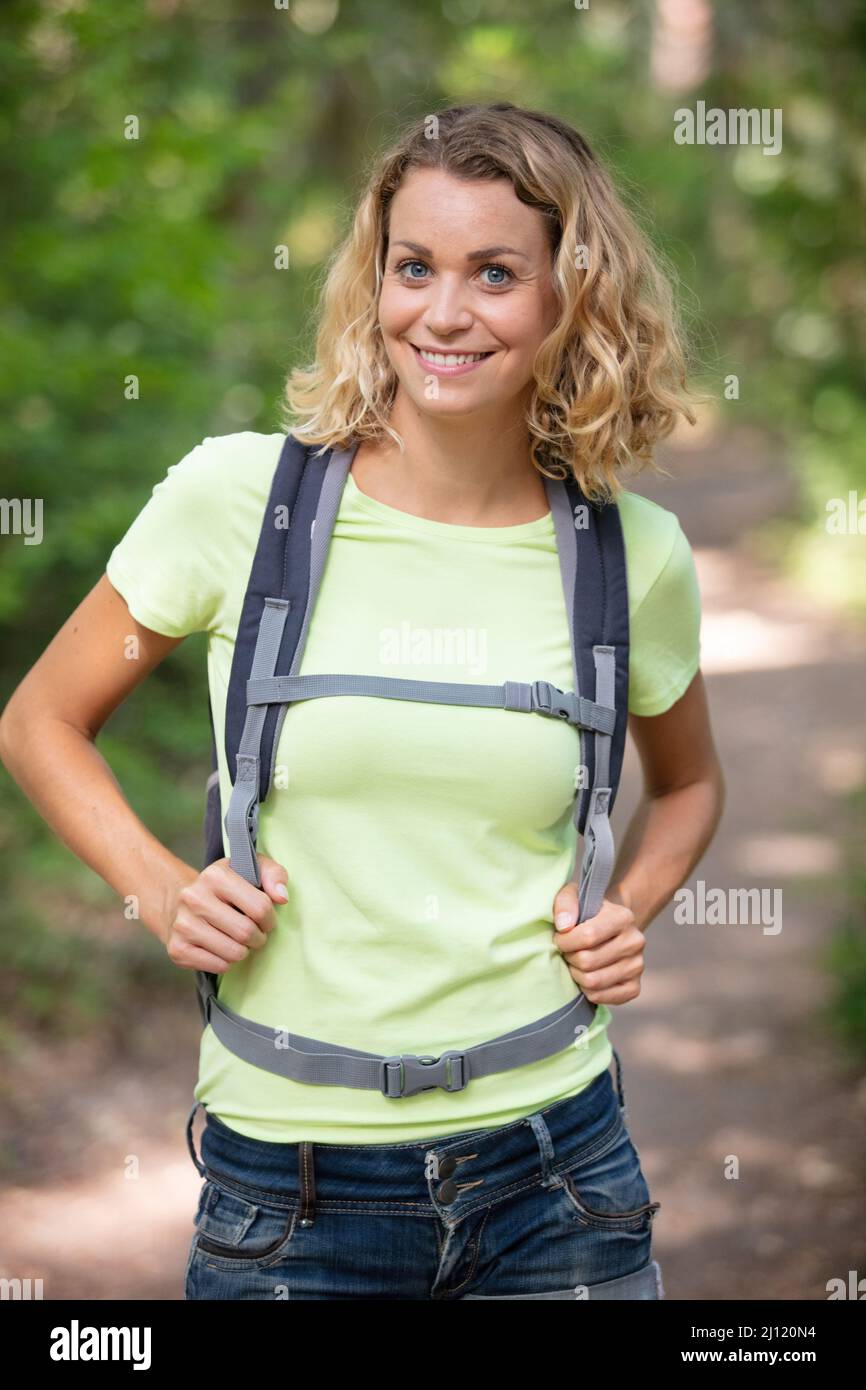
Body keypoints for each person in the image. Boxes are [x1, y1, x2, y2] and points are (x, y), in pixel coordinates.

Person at [0, 101, 724, 1300]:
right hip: (289, 1191)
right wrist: (158, 887)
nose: (442, 313)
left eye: (494, 272)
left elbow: (690, 782)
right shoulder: (237, 500)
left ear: (570, 294)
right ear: (372, 281)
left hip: (559, 1176)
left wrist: (626, 909)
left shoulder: (629, 554)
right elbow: (39, 719)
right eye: (412, 267)